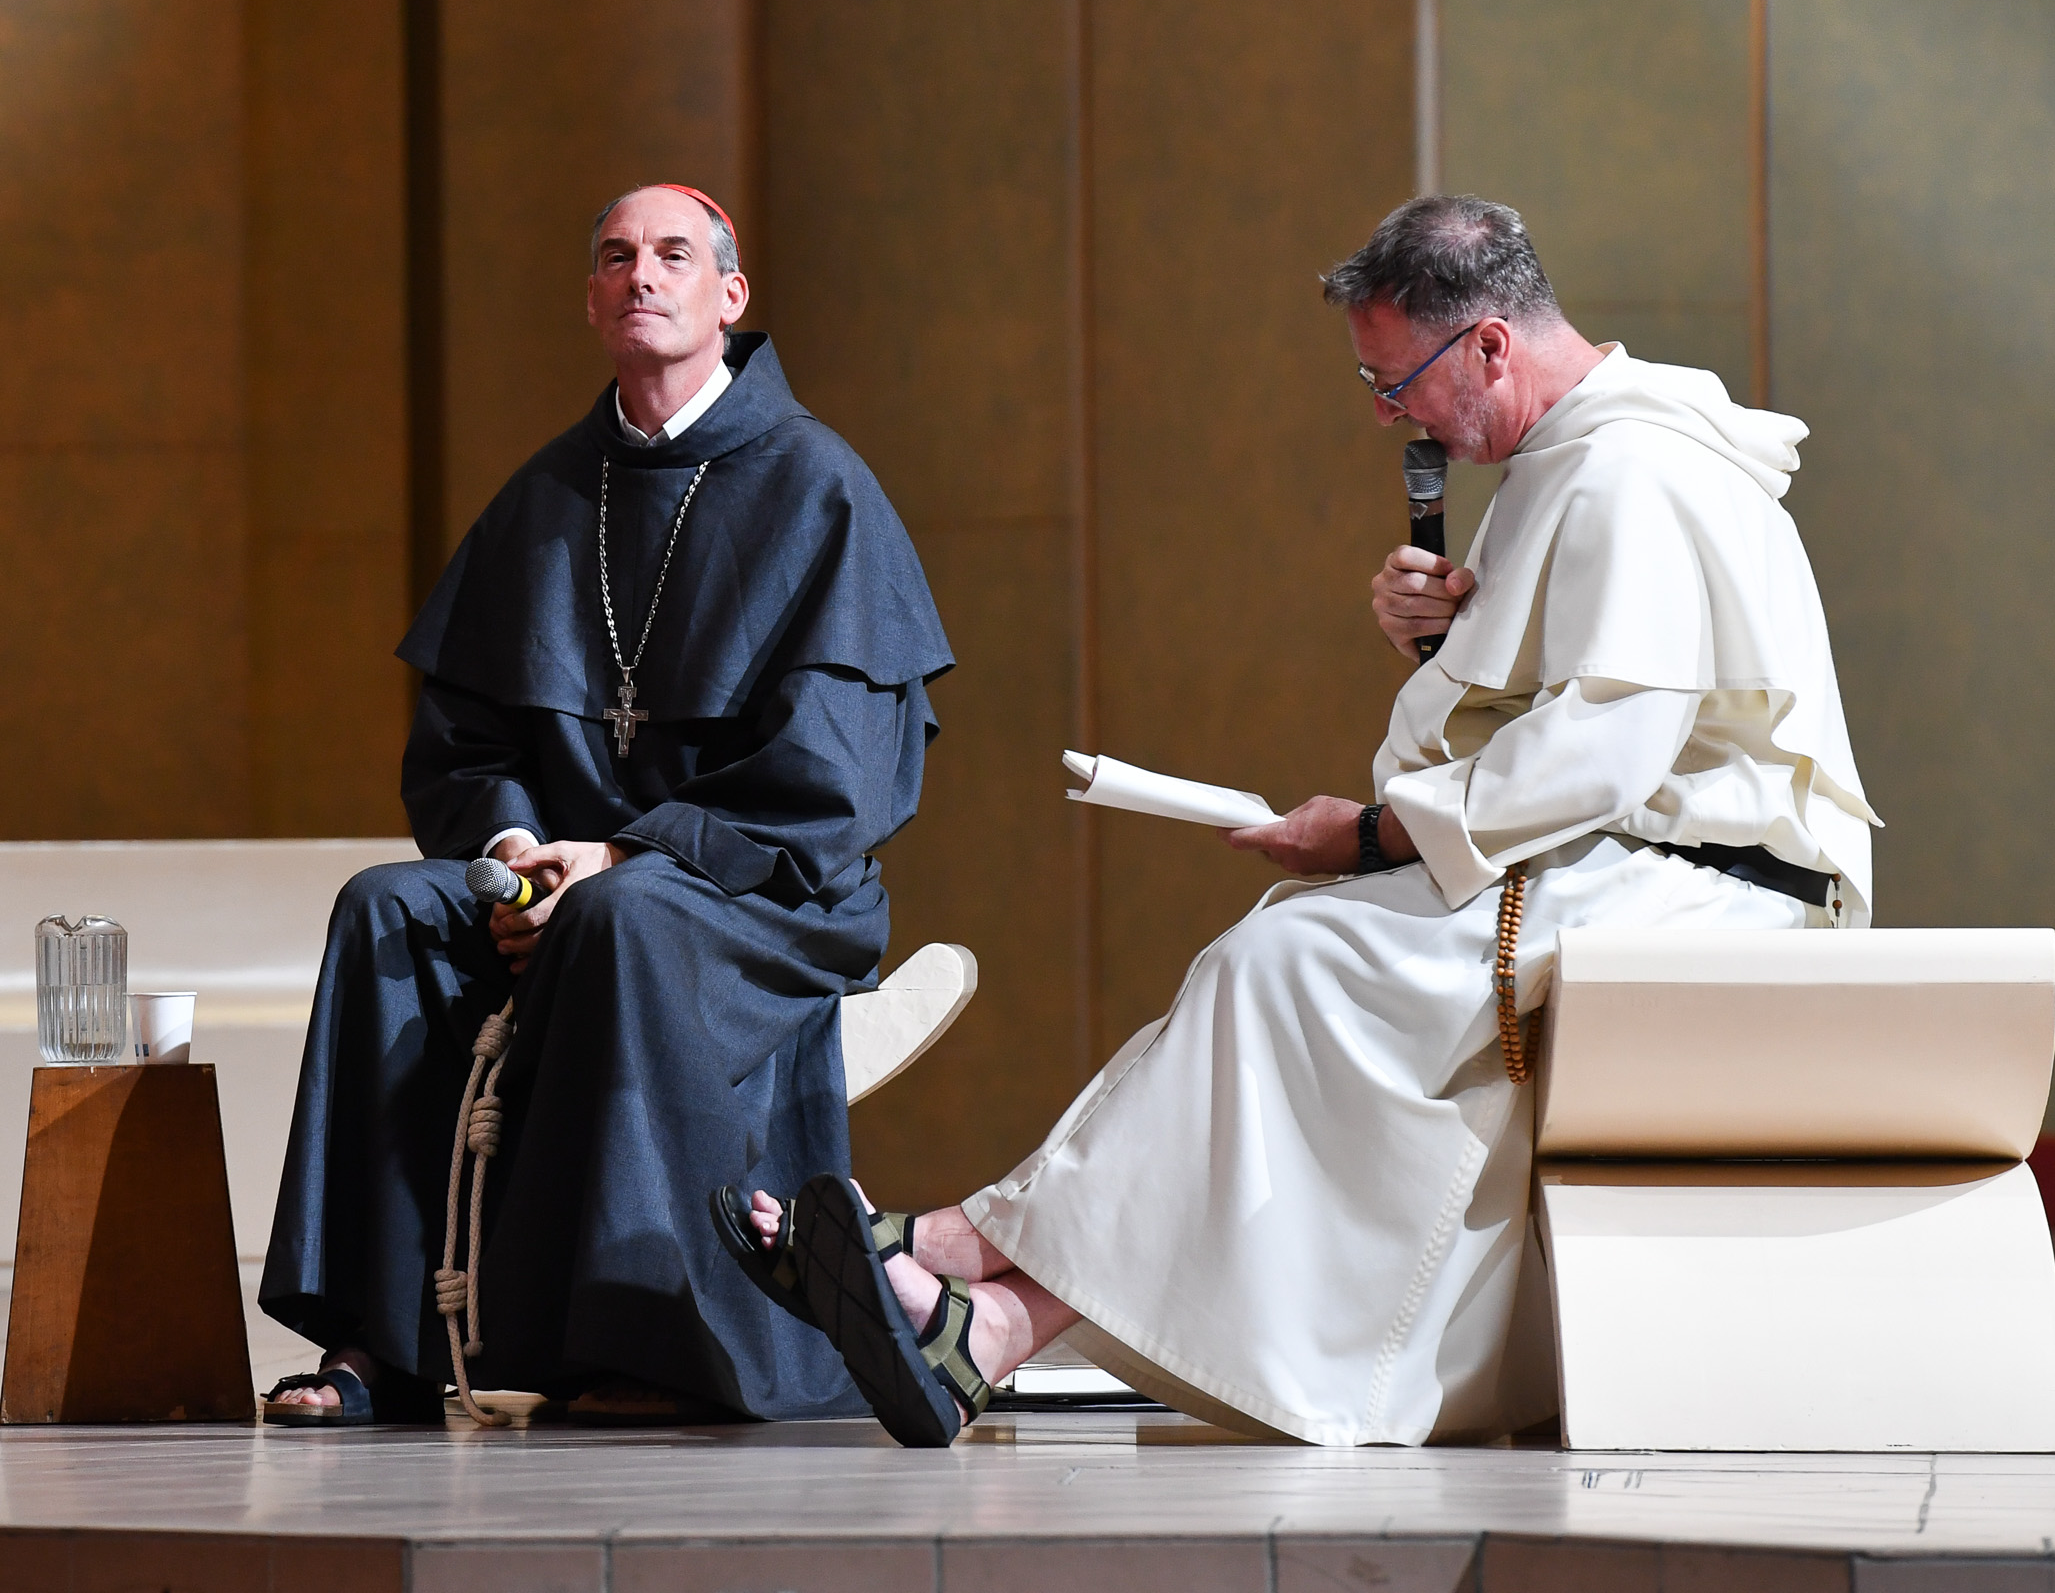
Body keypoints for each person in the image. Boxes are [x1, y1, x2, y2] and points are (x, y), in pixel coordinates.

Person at [728, 194, 1877, 1448]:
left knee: (1288, 965)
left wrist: (1375, 836)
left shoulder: (1635, 470)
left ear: (1492, 345)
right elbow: (1553, 728)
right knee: (1281, 966)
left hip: (1702, 890)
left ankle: (960, 1250)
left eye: (1397, 382)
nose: (1388, 416)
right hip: (1608, 868)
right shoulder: (1573, 462)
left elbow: (1604, 752)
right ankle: (987, 1324)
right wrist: (1448, 644)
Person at [260, 183, 953, 1427]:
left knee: (619, 918)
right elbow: (464, 742)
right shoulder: (545, 498)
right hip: (567, 880)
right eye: (618, 256)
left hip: (763, 893)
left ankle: (657, 1337)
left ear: (729, 296)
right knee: (384, 912)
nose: (644, 274)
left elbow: (838, 772)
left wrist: (624, 857)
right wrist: (519, 852)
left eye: (674, 255)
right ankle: (387, 1343)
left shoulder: (821, 487)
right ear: (591, 299)